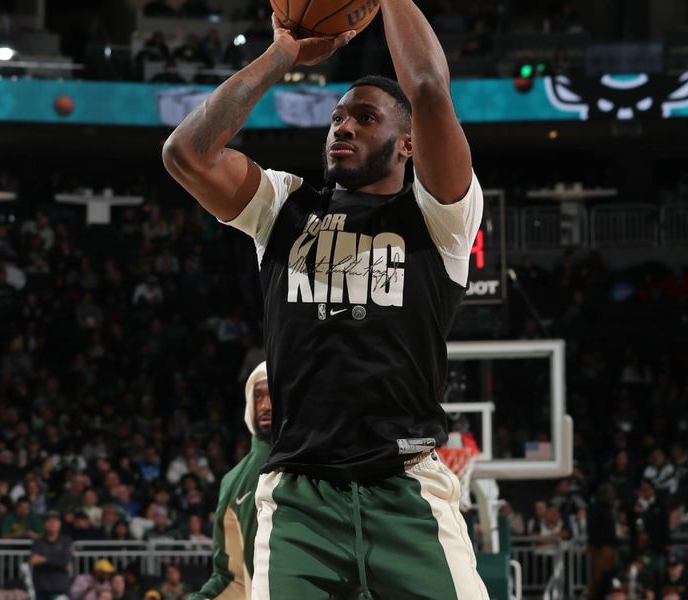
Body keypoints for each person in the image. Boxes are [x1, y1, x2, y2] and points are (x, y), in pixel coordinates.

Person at [162, 1, 487, 597]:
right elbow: (186, 155)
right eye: (337, 118)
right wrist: (283, 52)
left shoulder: (439, 218)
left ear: (408, 144)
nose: (343, 127)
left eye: (365, 118)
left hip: (406, 488)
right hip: (298, 499)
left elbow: (429, 88)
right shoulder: (285, 207)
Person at [191, 362, 271, 599]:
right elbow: (231, 577)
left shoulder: (323, 464)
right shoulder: (233, 480)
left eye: (273, 395)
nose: (265, 406)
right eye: (258, 397)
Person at [29, 511, 73, 600]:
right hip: (42, 588)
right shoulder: (38, 542)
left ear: (60, 524)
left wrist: (44, 559)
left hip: (61, 588)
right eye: (49, 521)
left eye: (55, 521)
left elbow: (64, 560)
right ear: (44, 524)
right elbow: (33, 560)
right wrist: (58, 560)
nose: (52, 524)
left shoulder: (66, 540)